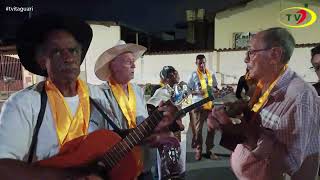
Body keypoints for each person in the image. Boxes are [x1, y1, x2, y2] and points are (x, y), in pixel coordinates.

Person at [0, 14, 177, 179]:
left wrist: (149, 128)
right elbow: (4, 166)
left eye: (73, 50)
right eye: (56, 52)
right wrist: (73, 176)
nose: (68, 57)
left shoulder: (97, 96)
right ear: (41, 60)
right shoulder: (23, 104)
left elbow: (111, 138)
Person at [208, 27, 320, 179]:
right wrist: (232, 122)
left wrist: (248, 133)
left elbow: (292, 165)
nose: (246, 59)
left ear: (274, 55)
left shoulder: (301, 96)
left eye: (251, 52)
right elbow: (254, 132)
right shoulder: (261, 85)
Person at [94, 41, 183, 180]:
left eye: (133, 61)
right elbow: (97, 137)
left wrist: (160, 119)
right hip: (118, 170)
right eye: (129, 61)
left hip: (144, 165)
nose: (134, 65)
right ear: (113, 65)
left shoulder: (137, 91)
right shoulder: (99, 94)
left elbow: (144, 124)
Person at [147, 66, 185, 179]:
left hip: (176, 134)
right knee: (166, 167)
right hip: (167, 135)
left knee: (175, 165)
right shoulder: (162, 91)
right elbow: (150, 108)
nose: (175, 74)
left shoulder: (176, 91)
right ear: (166, 79)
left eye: (174, 72)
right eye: (171, 74)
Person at [187, 54, 219, 161]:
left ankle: (209, 150)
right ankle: (198, 150)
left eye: (203, 62)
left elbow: (215, 87)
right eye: (200, 63)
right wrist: (197, 91)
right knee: (198, 131)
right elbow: (188, 90)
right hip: (198, 106)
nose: (202, 64)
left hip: (209, 105)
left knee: (212, 127)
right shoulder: (193, 75)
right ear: (196, 63)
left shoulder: (211, 74)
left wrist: (217, 91)